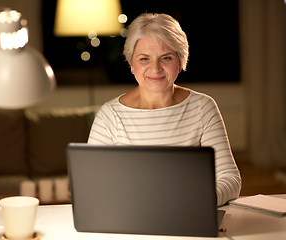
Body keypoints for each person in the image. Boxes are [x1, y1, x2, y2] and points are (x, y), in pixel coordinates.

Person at [87, 13, 241, 206]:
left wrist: (199, 202)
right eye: (144, 59)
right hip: (131, 220)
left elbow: (230, 179)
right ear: (132, 64)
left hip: (191, 214)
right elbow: (92, 185)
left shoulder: (203, 107)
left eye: (166, 58)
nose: (155, 68)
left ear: (180, 62)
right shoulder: (109, 115)